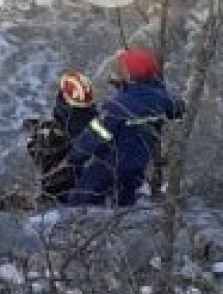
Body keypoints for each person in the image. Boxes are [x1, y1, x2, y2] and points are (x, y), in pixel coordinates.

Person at [67, 48, 185, 207]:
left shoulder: (116, 106)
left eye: (123, 69)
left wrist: (73, 159)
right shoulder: (162, 99)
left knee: (79, 202)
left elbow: (93, 138)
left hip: (110, 166)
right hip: (138, 165)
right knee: (125, 207)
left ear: (130, 75)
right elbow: (178, 108)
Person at [25, 70, 98, 203]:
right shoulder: (97, 121)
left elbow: (37, 155)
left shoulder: (52, 133)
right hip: (84, 183)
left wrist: (32, 137)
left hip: (58, 193)